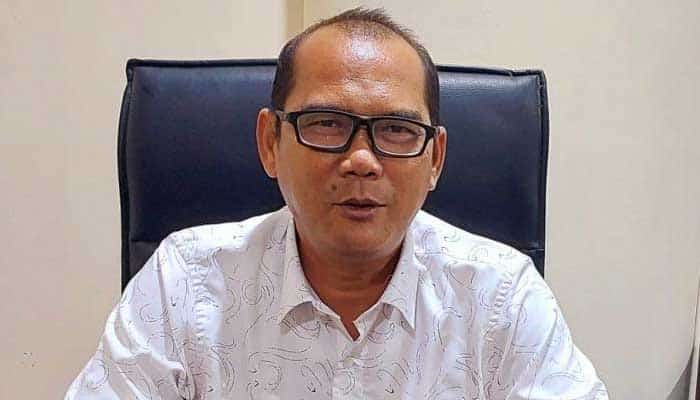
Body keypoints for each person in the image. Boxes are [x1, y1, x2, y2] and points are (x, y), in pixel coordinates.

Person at [66, 7, 608, 400]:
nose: (362, 160)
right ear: (270, 143)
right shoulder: (184, 280)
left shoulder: (502, 296)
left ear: (435, 159)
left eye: (397, 130)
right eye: (327, 123)